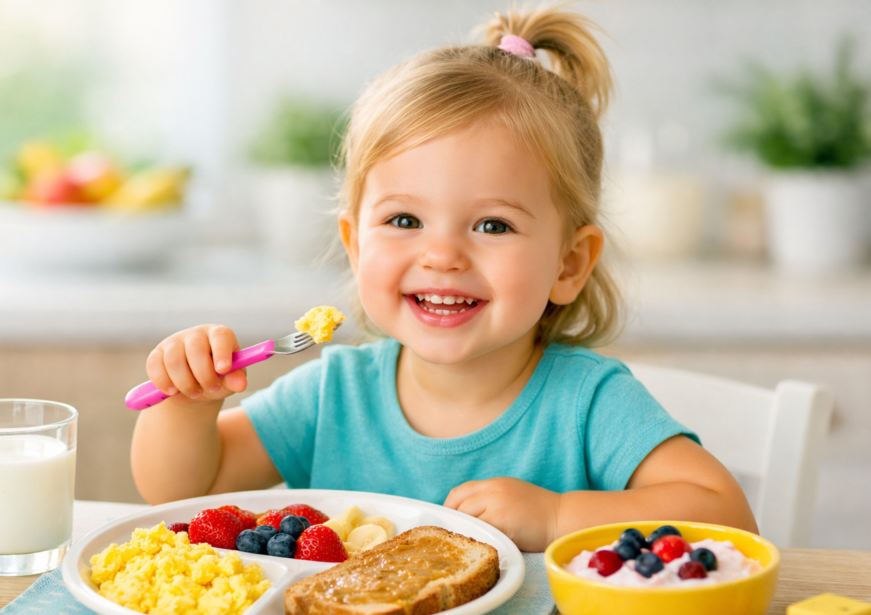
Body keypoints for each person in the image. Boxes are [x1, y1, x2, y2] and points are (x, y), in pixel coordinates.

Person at [130, 6, 757, 552]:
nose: (443, 255)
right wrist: (188, 405)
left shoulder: (587, 402)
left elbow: (728, 518)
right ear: (355, 244)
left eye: (492, 226)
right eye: (405, 219)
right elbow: (183, 491)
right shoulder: (334, 395)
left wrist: (558, 515)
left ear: (569, 264)